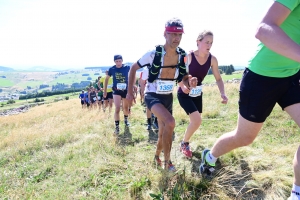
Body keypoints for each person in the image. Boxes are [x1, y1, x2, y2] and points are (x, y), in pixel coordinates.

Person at [198, 1, 300, 200]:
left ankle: (296, 193)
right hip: (261, 77)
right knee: (244, 138)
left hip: (292, 76)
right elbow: (263, 29)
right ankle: (210, 156)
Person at [126, 17, 198, 172]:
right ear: (165, 34)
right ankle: (168, 163)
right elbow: (133, 68)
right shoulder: (153, 54)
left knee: (163, 132)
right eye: (172, 34)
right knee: (171, 122)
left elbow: (184, 77)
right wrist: (130, 92)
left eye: (179, 35)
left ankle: (157, 157)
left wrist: (189, 82)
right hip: (152, 94)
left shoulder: (182, 56)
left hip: (167, 97)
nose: (176, 38)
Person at [177, 30, 228, 158]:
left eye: (211, 43)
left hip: (197, 93)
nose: (209, 45)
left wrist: (222, 93)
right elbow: (177, 75)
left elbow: (218, 78)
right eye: (206, 42)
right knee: (197, 120)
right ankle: (184, 143)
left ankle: (185, 140)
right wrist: (185, 85)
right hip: (185, 93)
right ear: (198, 42)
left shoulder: (212, 59)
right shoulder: (188, 57)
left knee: (195, 121)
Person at [104, 55, 131, 134]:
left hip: (125, 90)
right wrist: (105, 91)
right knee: (117, 108)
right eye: (116, 61)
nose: (118, 63)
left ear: (122, 61)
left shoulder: (127, 67)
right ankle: (117, 127)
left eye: (119, 61)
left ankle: (126, 119)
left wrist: (132, 86)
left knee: (125, 108)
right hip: (116, 91)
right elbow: (106, 79)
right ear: (114, 62)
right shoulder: (112, 69)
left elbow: (132, 76)